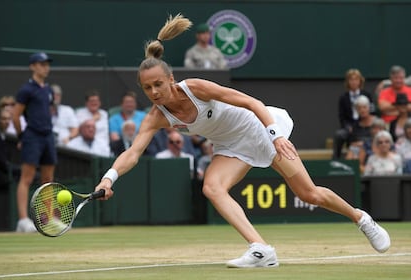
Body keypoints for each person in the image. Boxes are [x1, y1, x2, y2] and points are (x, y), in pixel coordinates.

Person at [94, 14, 390, 268]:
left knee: (309, 193)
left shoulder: (197, 88)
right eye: (147, 88)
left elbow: (253, 102)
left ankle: (361, 218)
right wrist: (109, 179)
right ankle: (261, 249)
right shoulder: (156, 117)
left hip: (259, 131)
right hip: (231, 148)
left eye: (158, 84)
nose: (154, 92)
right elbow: (133, 152)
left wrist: (275, 137)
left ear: (171, 80)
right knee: (212, 187)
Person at [12, 52, 57, 232]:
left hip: (48, 136)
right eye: (41, 64)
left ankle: (49, 219)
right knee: (27, 178)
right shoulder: (26, 90)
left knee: (48, 179)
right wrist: (22, 137)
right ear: (33, 66)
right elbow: (16, 116)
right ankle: (23, 220)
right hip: (32, 136)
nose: (45, 67)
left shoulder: (49, 90)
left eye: (47, 64)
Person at [333, 68, 374, 159]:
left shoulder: (367, 94)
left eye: (356, 79)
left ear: (360, 81)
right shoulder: (343, 98)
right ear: (348, 82)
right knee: (339, 135)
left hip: (365, 125)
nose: (354, 82)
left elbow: (372, 112)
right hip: (350, 126)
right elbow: (342, 117)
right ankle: (336, 159)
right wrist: (348, 127)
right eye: (351, 79)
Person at [344, 96, 375, 160]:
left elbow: (380, 139)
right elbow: (351, 142)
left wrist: (364, 144)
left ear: (369, 108)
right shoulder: (355, 125)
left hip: (373, 148)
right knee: (351, 151)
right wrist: (358, 144)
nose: (362, 110)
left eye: (364, 107)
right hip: (357, 149)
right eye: (359, 108)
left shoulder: (377, 122)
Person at [0, 108, 11, 191]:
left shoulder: (3, 136)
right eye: (4, 119)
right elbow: (2, 162)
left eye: (9, 119)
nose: (7, 122)